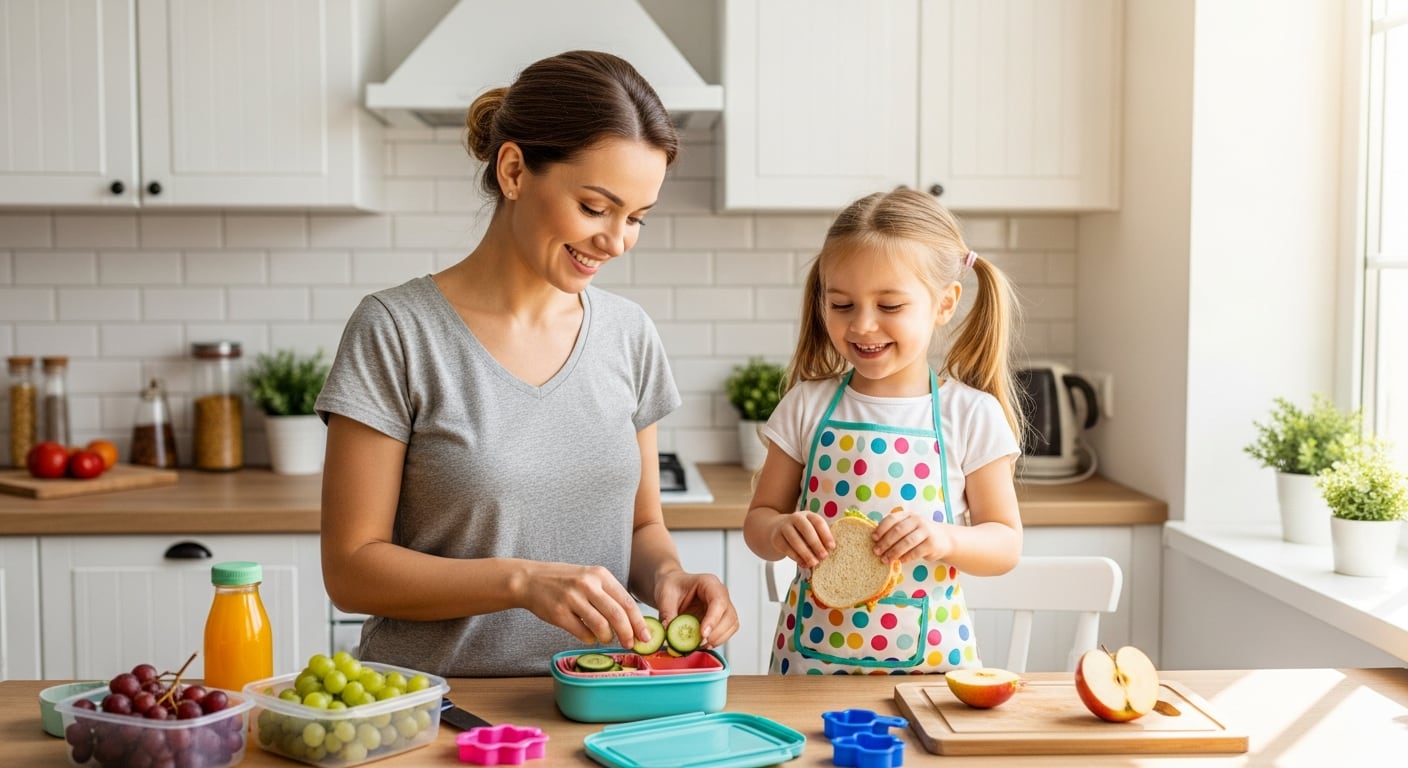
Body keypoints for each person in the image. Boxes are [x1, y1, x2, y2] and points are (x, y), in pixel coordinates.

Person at [315, 50, 737, 677]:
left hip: (601, 700)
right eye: (596, 207)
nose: (616, 241)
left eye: (637, 218)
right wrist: (520, 582)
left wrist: (671, 576)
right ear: (514, 170)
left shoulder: (629, 335)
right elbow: (351, 569)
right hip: (439, 709)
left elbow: (642, 526)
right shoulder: (398, 331)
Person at [742, 188, 1024, 674]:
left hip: (928, 679)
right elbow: (759, 522)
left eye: (890, 306)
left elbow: (1005, 544)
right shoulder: (806, 406)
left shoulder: (970, 415)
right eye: (842, 305)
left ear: (944, 304)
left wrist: (945, 539)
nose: (863, 325)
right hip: (810, 670)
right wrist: (780, 530)